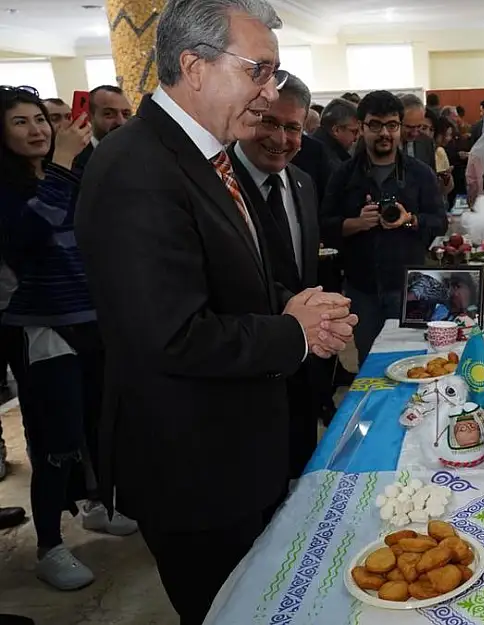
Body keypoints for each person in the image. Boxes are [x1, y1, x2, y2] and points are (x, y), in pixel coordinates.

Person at [74, 1, 358, 622]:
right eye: (260, 70)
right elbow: (169, 336)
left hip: (239, 447)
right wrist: (292, 334)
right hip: (194, 465)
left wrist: (292, 309)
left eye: (275, 75)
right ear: (193, 66)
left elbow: (224, 288)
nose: (270, 92)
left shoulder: (208, 156)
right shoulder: (137, 167)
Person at [0, 85, 138, 592]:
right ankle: (49, 546)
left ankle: (97, 504)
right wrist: (60, 164)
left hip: (93, 318)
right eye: (22, 122)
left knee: (100, 422)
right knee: (55, 441)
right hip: (45, 327)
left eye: (41, 118)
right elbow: (27, 241)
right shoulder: (14, 189)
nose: (38, 128)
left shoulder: (70, 176)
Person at [227, 73, 324, 479]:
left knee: (302, 469)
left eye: (293, 128)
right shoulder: (218, 183)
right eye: (269, 122)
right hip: (247, 370)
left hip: (302, 364)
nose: (280, 139)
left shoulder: (303, 182)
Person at [321, 90, 446, 363]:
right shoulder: (343, 174)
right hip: (363, 288)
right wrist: (355, 224)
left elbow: (440, 221)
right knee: (372, 365)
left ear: (400, 128)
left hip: (413, 286)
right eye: (375, 125)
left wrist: (410, 219)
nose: (384, 133)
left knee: (417, 362)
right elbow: (324, 227)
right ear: (362, 128)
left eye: (392, 125)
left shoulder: (420, 173)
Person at [73, 85, 132, 172]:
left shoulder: (142, 153)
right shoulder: (74, 160)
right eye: (109, 114)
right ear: (89, 116)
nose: (121, 122)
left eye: (126, 114)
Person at [400, 94, 437, 169]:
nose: (414, 133)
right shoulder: (387, 144)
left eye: (419, 126)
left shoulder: (427, 142)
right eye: (409, 127)